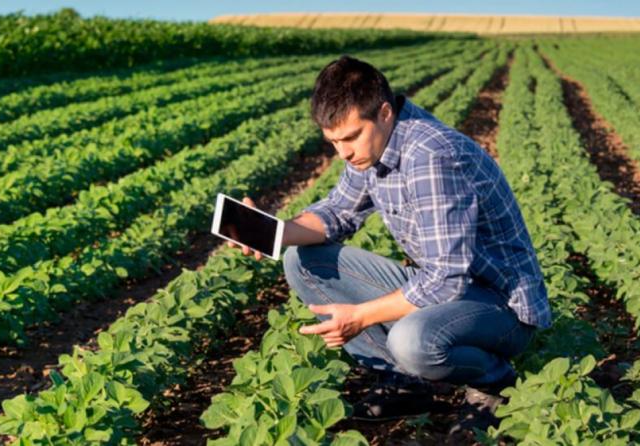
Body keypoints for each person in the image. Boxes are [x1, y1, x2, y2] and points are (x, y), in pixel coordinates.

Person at [229, 55, 552, 432]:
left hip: (500, 308)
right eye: (334, 141)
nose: (344, 153)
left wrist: (360, 316)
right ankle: (406, 382)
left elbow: (447, 281)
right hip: (450, 291)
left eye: (351, 137)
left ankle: (494, 383)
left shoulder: (431, 157)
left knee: (411, 340)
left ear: (384, 113)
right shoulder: (374, 147)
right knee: (301, 261)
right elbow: (337, 212)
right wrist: (272, 230)